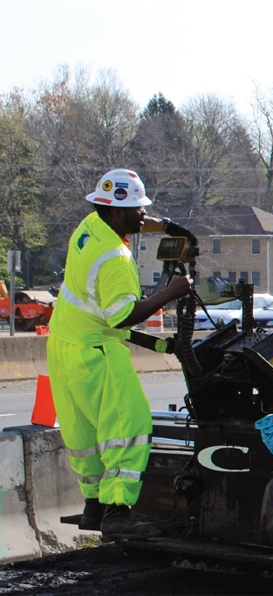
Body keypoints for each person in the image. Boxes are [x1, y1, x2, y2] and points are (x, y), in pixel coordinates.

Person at [47, 168, 194, 538]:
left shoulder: (89, 226)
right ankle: (118, 511)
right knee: (128, 428)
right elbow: (123, 316)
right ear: (115, 212)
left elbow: (133, 218)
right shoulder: (115, 258)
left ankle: (93, 507)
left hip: (63, 346)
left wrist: (168, 227)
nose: (143, 215)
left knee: (85, 434)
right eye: (136, 209)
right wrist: (171, 292)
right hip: (96, 353)